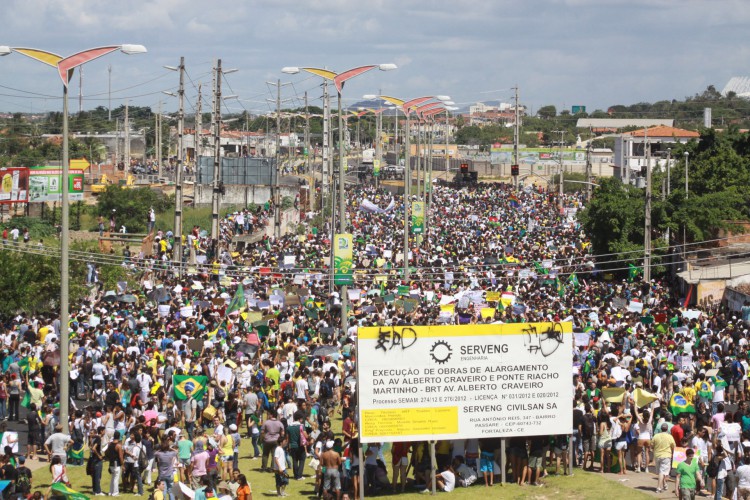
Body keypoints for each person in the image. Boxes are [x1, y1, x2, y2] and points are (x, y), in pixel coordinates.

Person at [651, 423, 676, 493]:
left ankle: (664, 484)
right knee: (662, 472)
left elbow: (652, 445)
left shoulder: (656, 436)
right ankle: (659, 487)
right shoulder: (670, 437)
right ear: (667, 429)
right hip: (666, 456)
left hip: (657, 455)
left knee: (661, 472)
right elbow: (673, 446)